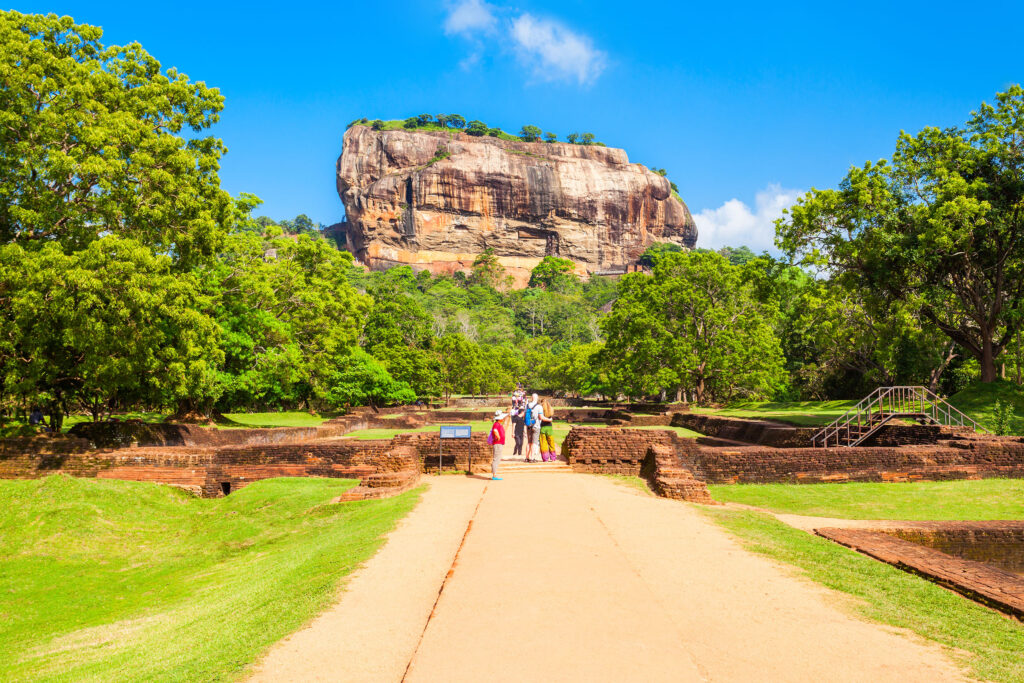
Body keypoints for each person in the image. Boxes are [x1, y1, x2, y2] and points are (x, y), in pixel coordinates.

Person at [488, 409, 507, 480]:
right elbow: (495, 430)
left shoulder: (498, 424)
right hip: (497, 443)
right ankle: (494, 475)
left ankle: (495, 473)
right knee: (496, 458)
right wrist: (498, 436)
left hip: (499, 443)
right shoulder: (496, 424)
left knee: (498, 458)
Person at [525, 393, 543, 463]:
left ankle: (527, 457)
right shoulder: (539, 406)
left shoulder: (527, 405)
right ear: (537, 398)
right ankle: (532, 458)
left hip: (528, 425)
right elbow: (541, 417)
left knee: (529, 442)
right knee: (534, 443)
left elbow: (524, 415)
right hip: (536, 426)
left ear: (531, 398)